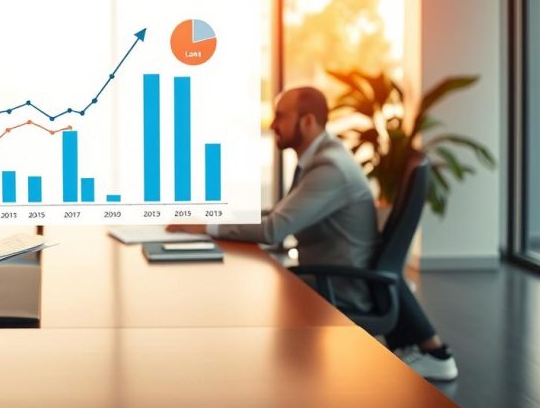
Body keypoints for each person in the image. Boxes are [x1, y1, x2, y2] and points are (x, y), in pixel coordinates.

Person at [168, 86, 458, 381]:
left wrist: (206, 227)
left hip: (338, 284)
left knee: (239, 292)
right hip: (330, 274)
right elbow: (280, 214)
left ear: (307, 121)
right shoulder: (321, 156)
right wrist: (214, 219)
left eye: (280, 116)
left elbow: (274, 229)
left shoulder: (330, 168)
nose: (272, 125)